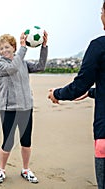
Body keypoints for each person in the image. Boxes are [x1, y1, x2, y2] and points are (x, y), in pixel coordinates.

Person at [48, 2, 105, 188]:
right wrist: (92, 93)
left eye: (101, 11)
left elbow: (79, 85)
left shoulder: (99, 46)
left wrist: (57, 93)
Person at [0, 32, 48, 184]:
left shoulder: (23, 62)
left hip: (26, 108)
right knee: (8, 142)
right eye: (1, 48)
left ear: (14, 47)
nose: (4, 50)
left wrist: (44, 47)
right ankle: (1, 169)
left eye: (7, 47)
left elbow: (41, 66)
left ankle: (25, 169)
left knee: (26, 141)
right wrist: (23, 48)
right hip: (8, 109)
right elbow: (13, 68)